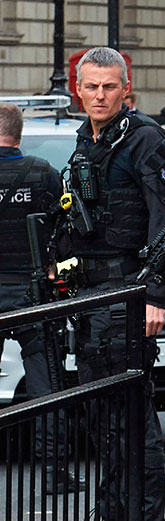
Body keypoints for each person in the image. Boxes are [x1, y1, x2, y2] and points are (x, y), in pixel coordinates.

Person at [54, 46, 165, 521]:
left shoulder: (146, 138)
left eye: (109, 87)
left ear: (126, 89)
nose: (100, 96)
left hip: (128, 293)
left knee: (133, 425)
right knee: (106, 428)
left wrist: (154, 293)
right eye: (91, 87)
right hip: (94, 297)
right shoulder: (88, 139)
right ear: (78, 90)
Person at [0, 102, 83, 495]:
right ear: (19, 134)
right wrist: (49, 262)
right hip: (31, 292)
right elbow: (65, 229)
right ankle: (53, 473)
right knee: (45, 384)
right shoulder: (43, 174)